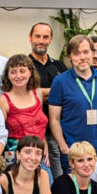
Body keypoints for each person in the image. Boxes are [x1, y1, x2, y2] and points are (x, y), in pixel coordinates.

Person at [48, 34, 97, 174]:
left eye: (86, 52)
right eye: (77, 53)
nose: (82, 57)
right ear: (70, 57)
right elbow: (54, 119)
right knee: (76, 187)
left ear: (92, 53)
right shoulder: (60, 81)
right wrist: (64, 148)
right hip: (74, 149)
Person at [28, 22, 67, 178]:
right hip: (38, 134)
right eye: (37, 36)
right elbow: (27, 95)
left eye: (45, 37)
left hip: (61, 131)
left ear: (51, 39)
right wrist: (58, 93)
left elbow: (69, 92)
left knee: (64, 175)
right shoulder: (25, 66)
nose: (41, 41)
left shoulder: (59, 66)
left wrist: (42, 93)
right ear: (30, 38)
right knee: (46, 177)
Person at [0, 54, 48, 168]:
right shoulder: (3, 100)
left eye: (22, 71)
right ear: (7, 75)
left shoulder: (38, 94)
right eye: (13, 72)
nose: (18, 76)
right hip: (16, 158)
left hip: (40, 156)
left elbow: (39, 126)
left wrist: (45, 145)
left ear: (30, 72)